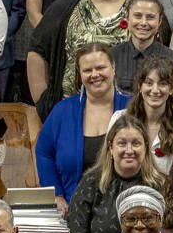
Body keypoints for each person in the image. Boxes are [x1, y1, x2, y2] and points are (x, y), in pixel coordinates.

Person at [36, 41, 131, 216]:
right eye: (87, 70)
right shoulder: (62, 111)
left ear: (113, 68)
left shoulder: (132, 108)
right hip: (74, 211)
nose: (95, 74)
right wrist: (56, 194)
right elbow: (43, 152)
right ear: (79, 74)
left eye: (101, 67)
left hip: (123, 211)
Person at [66, 114, 165, 233]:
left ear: (145, 146)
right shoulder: (91, 182)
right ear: (111, 147)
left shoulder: (161, 184)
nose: (129, 150)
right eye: (122, 143)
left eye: (136, 143)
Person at [58, 0, 132, 96]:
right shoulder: (67, 5)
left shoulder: (139, 8)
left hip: (127, 103)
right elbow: (37, 51)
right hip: (76, 100)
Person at [124, 52, 173, 173]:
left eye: (163, 84)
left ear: (172, 89)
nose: (155, 90)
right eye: (149, 83)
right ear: (139, 87)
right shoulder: (120, 119)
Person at [111, 0, 173, 92]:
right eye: (138, 16)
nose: (143, 23)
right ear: (127, 17)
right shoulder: (112, 57)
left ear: (160, 21)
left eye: (150, 17)